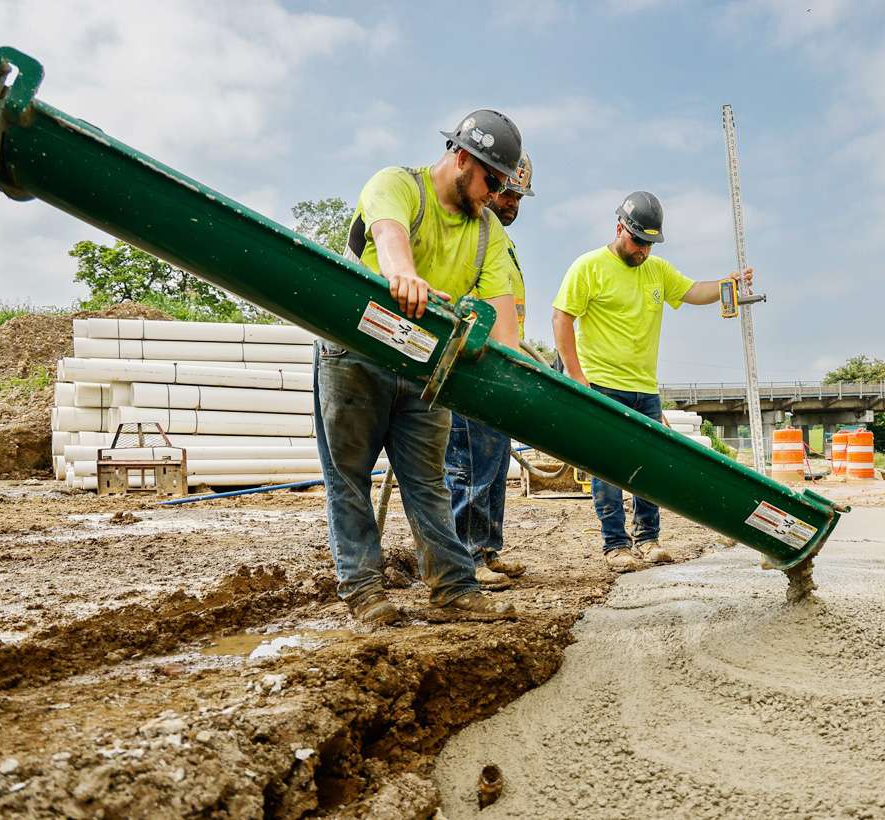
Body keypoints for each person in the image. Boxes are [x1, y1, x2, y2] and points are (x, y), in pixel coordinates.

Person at [316, 110, 525, 624]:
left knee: (428, 480)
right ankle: (364, 591)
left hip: (426, 366)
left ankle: (454, 588)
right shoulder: (397, 185)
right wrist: (405, 277)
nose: (495, 193)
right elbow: (389, 239)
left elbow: (502, 319)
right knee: (349, 476)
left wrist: (524, 376)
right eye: (491, 180)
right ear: (461, 158)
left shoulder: (487, 232)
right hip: (356, 350)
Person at [551, 191, 752, 573]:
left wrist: (730, 283)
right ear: (619, 228)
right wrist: (577, 379)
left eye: (649, 243)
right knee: (608, 467)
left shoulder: (657, 270)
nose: (642, 250)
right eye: (637, 240)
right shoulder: (589, 267)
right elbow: (562, 318)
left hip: (645, 389)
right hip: (602, 386)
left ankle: (648, 539)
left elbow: (693, 292)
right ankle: (615, 545)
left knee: (650, 465)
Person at [444, 150, 535, 591]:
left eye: (519, 195)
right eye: (508, 191)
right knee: (466, 462)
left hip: (500, 365)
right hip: (473, 363)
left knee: (494, 462)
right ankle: (465, 555)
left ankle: (485, 548)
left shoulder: (501, 240)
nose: (513, 201)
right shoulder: (473, 233)